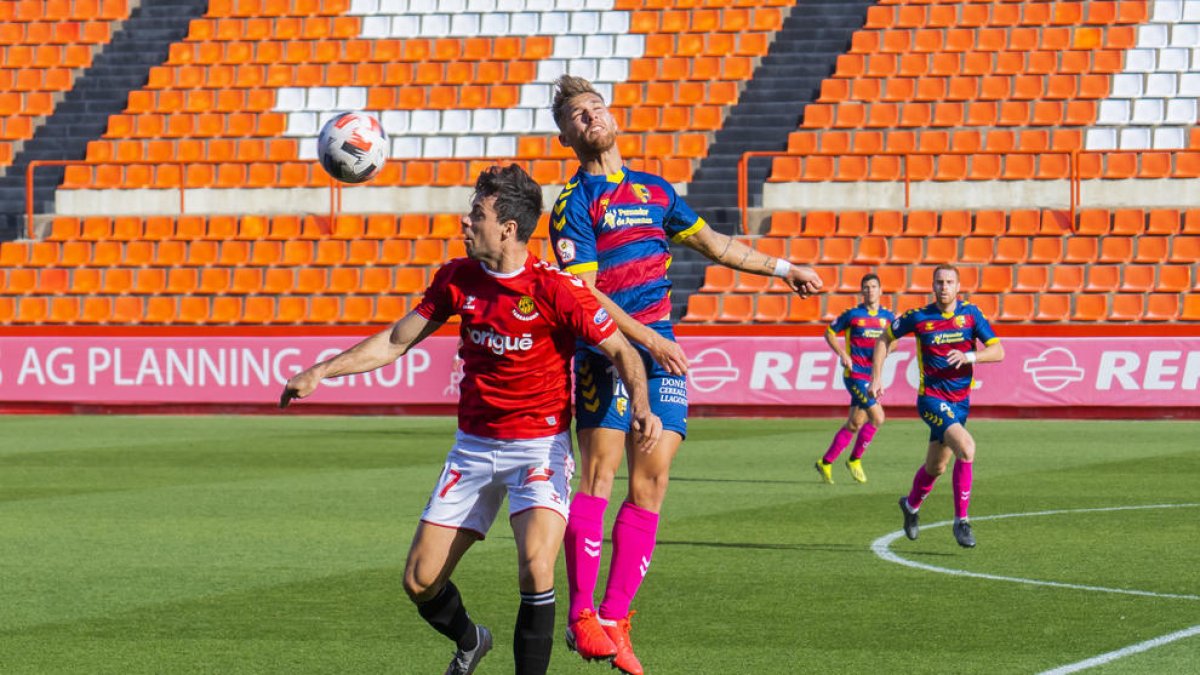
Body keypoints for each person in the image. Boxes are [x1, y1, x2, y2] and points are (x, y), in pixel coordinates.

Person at [280, 165, 662, 675]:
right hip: (473, 449)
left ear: (507, 227)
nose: (465, 223)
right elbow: (397, 340)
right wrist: (322, 371)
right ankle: (471, 639)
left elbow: (622, 350)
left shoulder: (558, 288)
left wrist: (640, 403)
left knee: (535, 566)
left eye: (476, 215)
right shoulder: (457, 278)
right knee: (419, 580)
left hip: (538, 450)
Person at [547, 74, 823, 675]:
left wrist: (783, 267)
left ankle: (617, 621)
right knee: (599, 474)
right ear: (564, 136)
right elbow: (587, 295)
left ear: (612, 115)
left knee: (654, 480)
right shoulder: (574, 204)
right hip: (608, 351)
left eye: (595, 106)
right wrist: (644, 338)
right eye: (576, 114)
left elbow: (718, 245)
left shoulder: (654, 190)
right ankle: (580, 616)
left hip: (660, 348)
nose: (589, 116)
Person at [868, 264, 1003, 549]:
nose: (944, 287)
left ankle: (911, 506)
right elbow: (884, 339)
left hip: (960, 402)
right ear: (933, 286)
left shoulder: (970, 314)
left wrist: (969, 357)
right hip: (931, 399)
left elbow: (998, 350)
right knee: (966, 448)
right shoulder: (919, 317)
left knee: (936, 466)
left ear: (958, 286)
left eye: (949, 282)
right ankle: (962, 522)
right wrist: (876, 377)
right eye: (939, 282)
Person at [815, 273, 895, 484]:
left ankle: (825, 462)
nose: (870, 291)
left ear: (881, 290)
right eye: (866, 287)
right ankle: (854, 459)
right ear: (862, 291)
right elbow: (829, 332)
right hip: (855, 375)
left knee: (854, 423)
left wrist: (886, 350)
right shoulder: (852, 315)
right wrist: (842, 354)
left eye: (874, 287)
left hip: (872, 376)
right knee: (878, 417)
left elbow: (894, 340)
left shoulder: (889, 317)